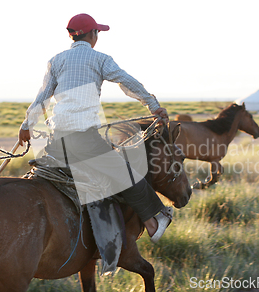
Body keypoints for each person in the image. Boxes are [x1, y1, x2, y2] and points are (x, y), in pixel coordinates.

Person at [18, 13, 172, 243]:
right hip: (85, 139)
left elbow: (43, 97)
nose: (97, 36)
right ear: (92, 34)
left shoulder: (56, 60)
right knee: (125, 173)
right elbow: (126, 81)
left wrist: (26, 125)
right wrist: (153, 106)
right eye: (97, 32)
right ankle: (153, 222)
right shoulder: (100, 59)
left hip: (57, 140)